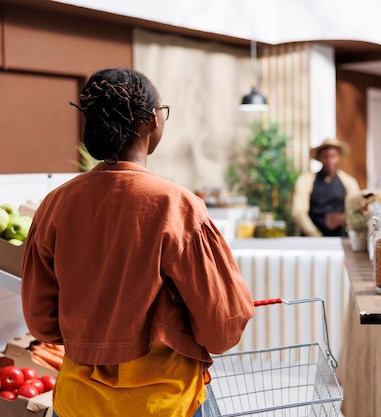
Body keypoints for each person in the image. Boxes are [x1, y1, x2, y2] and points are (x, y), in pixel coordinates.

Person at [21, 68, 255, 417]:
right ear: (150, 120)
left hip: (77, 404)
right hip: (164, 404)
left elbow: (42, 324)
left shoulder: (55, 205)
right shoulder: (178, 207)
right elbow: (222, 330)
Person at [291, 138, 360, 236]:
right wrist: (315, 234)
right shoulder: (305, 181)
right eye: (325, 156)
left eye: (333, 156)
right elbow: (298, 213)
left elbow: (356, 213)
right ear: (319, 157)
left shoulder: (349, 182)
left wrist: (344, 218)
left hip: (340, 238)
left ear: (339, 157)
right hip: (311, 238)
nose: (329, 160)